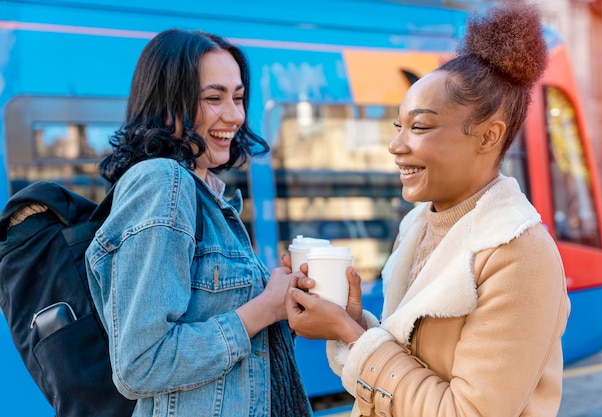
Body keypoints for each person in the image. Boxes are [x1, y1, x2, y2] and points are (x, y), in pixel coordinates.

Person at [285, 3, 571, 417]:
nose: (397, 146)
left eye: (419, 127)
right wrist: (351, 323)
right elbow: (410, 363)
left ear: (489, 136)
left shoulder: (518, 252)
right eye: (397, 126)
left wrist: (348, 332)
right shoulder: (418, 225)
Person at [85, 29, 312, 417]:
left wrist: (281, 300)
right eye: (213, 98)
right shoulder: (163, 182)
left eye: (238, 97)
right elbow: (141, 363)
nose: (235, 115)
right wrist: (264, 310)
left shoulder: (204, 192)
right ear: (167, 103)